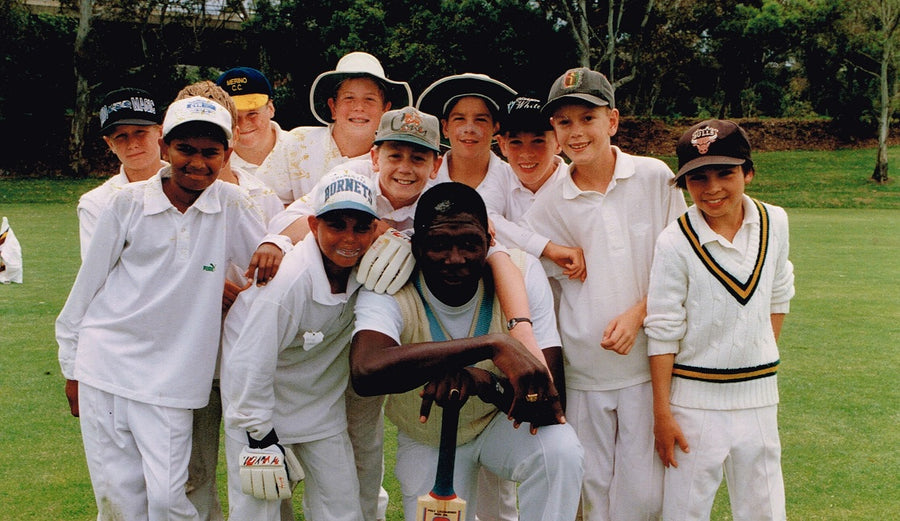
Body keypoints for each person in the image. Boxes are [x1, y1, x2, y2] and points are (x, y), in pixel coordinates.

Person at [56, 95, 281, 520]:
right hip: (104, 367)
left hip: (174, 382)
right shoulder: (127, 203)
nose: (198, 162)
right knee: (117, 499)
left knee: (167, 499)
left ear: (227, 155)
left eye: (210, 152)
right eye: (186, 150)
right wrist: (72, 370)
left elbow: (269, 262)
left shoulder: (230, 204)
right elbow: (85, 293)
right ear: (165, 149)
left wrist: (278, 242)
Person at [350, 182, 584, 521]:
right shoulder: (391, 282)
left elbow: (551, 403)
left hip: (498, 424)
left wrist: (482, 383)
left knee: (561, 451)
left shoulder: (521, 270)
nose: (455, 258)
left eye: (469, 244)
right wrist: (492, 345)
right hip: (428, 434)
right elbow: (367, 372)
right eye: (440, 244)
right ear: (415, 245)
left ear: (489, 243)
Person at [523, 67, 688, 521]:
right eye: (563, 123)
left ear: (612, 121)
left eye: (587, 118)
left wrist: (638, 314)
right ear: (553, 132)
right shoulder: (549, 202)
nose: (576, 133)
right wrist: (550, 249)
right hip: (585, 373)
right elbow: (522, 263)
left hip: (646, 368)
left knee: (644, 498)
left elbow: (685, 269)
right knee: (593, 494)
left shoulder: (654, 177)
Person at [645, 119, 794, 521]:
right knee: (685, 510)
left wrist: (757, 353)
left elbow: (780, 292)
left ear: (748, 171)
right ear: (685, 184)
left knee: (764, 510)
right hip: (693, 403)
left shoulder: (775, 222)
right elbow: (662, 330)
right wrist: (663, 412)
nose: (712, 189)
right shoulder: (674, 241)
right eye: (698, 178)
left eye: (725, 173)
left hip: (759, 401)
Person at [221, 169, 383, 521]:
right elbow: (249, 360)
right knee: (257, 510)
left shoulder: (371, 269)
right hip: (257, 407)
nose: (349, 238)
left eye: (361, 227)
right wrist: (258, 433)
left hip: (321, 407)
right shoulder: (289, 281)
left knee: (342, 508)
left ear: (376, 229)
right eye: (336, 225)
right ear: (313, 226)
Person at [171, 80, 290, 521]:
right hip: (184, 359)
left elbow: (279, 281)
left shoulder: (259, 196)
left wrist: (238, 294)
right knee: (190, 471)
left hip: (246, 359)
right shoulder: (151, 198)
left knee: (262, 470)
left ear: (232, 134)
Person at [481, 95, 586, 282]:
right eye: (516, 142)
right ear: (502, 145)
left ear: (558, 142)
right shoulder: (500, 175)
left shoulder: (576, 183)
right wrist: (547, 247)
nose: (526, 153)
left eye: (538, 141)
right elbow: (482, 217)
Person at [285, 51, 412, 204]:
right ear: (333, 107)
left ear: (386, 110)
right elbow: (267, 203)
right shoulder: (298, 142)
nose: (359, 107)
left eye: (369, 99)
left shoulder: (393, 161)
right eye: (349, 98)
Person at [77, 87, 165, 260]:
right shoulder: (96, 204)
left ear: (160, 133)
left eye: (140, 132)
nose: (132, 144)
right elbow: (98, 273)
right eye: (120, 136)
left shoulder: (192, 186)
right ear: (110, 144)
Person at [215, 66, 306, 207]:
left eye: (252, 113)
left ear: (270, 109)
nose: (243, 123)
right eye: (234, 116)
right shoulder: (214, 161)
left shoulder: (303, 147)